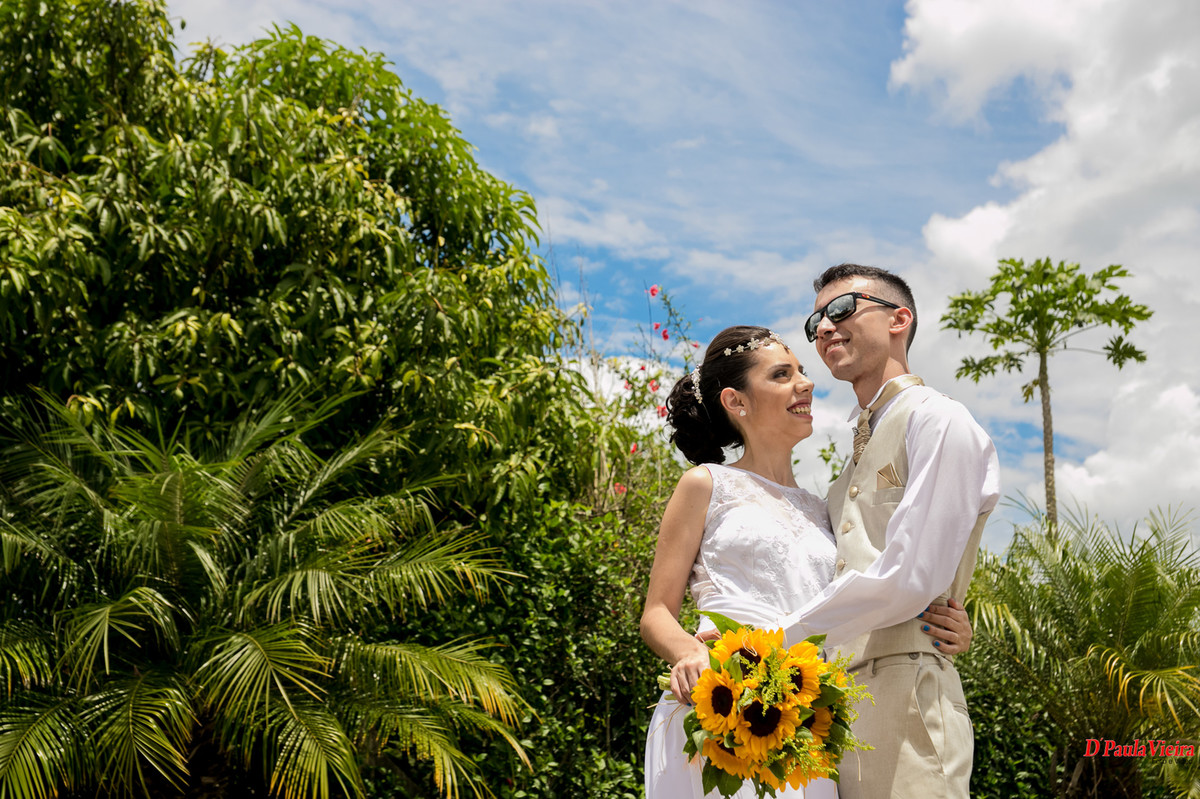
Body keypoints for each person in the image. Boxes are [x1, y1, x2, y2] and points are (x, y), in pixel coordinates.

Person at [641, 325, 973, 799]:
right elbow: (656, 612)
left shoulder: (828, 509)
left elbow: (876, 590)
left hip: (807, 721)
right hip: (722, 703)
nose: (806, 382)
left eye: (801, 370)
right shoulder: (705, 484)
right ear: (737, 402)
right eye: (782, 374)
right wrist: (688, 653)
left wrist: (945, 621)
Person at [777, 264, 1001, 798]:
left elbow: (912, 576)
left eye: (841, 309)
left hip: (909, 692)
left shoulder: (939, 420)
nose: (825, 328)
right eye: (815, 323)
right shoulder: (841, 477)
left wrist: (774, 640)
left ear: (900, 318)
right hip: (834, 706)